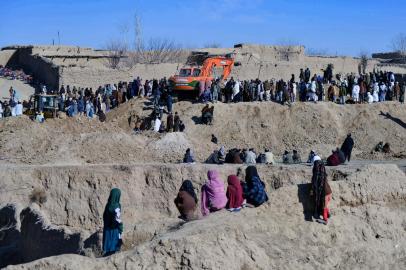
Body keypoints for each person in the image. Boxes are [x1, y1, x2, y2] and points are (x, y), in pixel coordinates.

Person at [103, 188, 123, 256]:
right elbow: (117, 219)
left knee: (108, 249)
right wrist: (120, 227)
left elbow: (104, 216)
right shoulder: (117, 206)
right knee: (113, 249)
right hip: (114, 230)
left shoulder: (107, 205)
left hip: (107, 229)